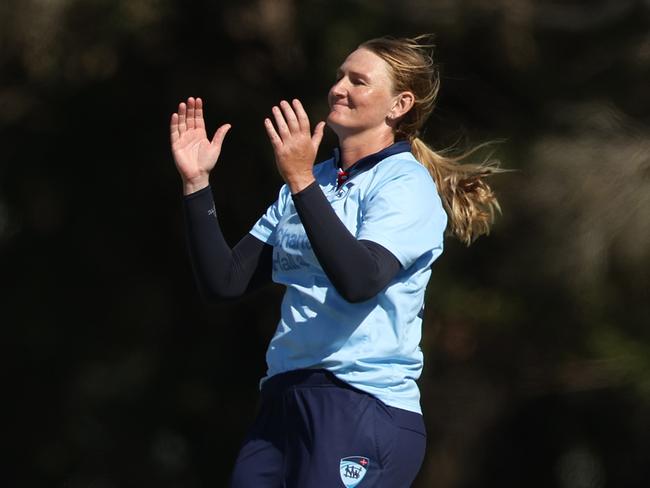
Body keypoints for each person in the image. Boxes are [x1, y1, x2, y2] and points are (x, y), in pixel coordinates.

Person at [170, 35, 501, 488]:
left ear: (399, 104)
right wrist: (197, 183)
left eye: (358, 81)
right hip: (283, 402)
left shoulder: (404, 184)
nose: (339, 87)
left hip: (362, 406)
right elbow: (224, 281)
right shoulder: (309, 182)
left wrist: (302, 180)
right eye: (340, 75)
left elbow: (361, 279)